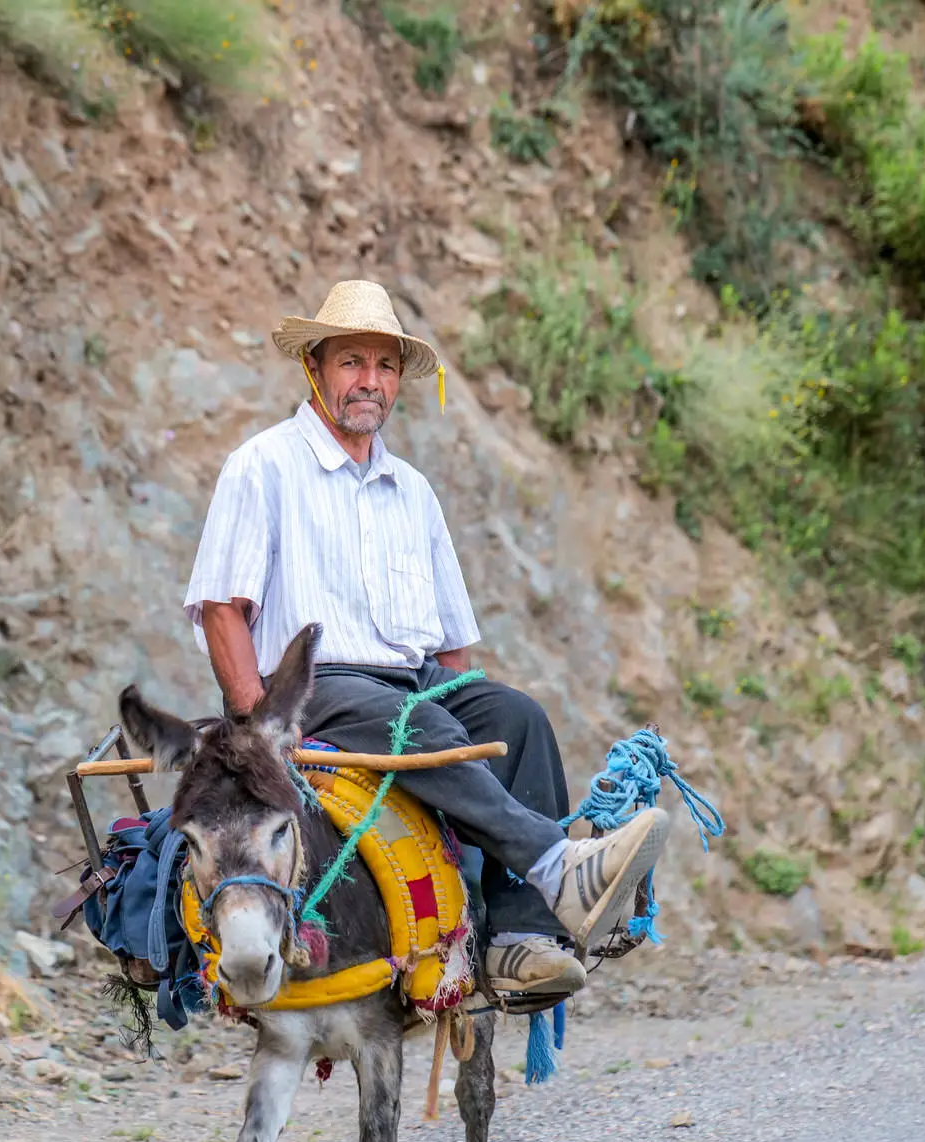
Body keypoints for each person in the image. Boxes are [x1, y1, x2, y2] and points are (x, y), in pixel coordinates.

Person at [181, 280, 670, 997]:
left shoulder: (412, 490)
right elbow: (223, 608)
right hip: (312, 689)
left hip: (405, 685)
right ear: (314, 368)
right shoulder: (264, 465)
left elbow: (450, 649)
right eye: (352, 362)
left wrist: (458, 695)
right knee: (425, 720)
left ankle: (519, 937)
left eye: (384, 367)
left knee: (515, 717)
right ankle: (557, 864)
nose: (369, 382)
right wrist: (260, 727)